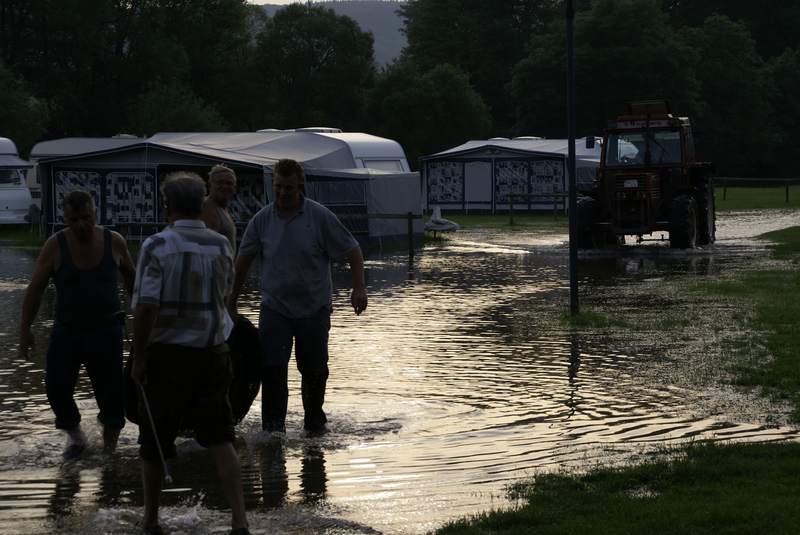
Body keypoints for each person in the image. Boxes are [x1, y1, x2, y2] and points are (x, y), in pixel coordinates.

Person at [129, 171, 249, 535]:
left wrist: (138, 356)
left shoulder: (157, 245)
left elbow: (147, 306)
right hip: (213, 352)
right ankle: (239, 520)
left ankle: (151, 519)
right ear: (200, 204)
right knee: (220, 438)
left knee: (153, 443)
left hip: (168, 355)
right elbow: (225, 294)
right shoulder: (221, 245)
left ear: (168, 207)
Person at [229, 158, 367, 437]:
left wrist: (359, 287)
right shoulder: (262, 220)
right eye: (278, 187)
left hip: (313, 309)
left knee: (314, 370)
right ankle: (273, 430)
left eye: (288, 188)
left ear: (300, 185)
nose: (282, 193)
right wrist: (230, 303)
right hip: (274, 308)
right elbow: (241, 264)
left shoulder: (319, 217)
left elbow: (353, 250)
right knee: (272, 369)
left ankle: (314, 424)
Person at [19, 190, 135, 457]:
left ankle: (109, 448)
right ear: (65, 219)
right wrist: (25, 330)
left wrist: (141, 316)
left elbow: (133, 280)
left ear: (95, 214)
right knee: (56, 387)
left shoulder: (113, 241)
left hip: (107, 331)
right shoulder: (56, 245)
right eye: (74, 220)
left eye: (86, 218)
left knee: (112, 394)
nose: (81, 225)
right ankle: (77, 437)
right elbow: (35, 289)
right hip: (68, 331)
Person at [201, 164, 237, 251]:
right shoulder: (207, 206)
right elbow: (207, 247)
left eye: (229, 183)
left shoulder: (222, 208)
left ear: (234, 187)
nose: (225, 186)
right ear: (210, 185)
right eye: (219, 182)